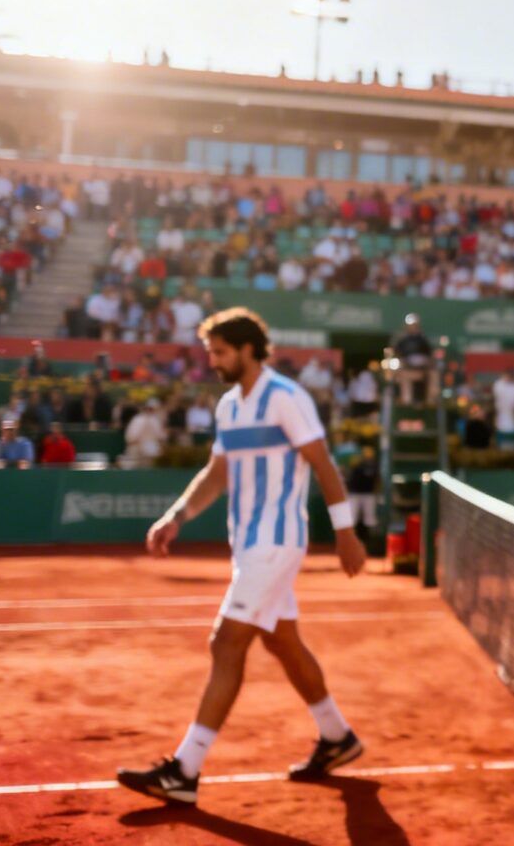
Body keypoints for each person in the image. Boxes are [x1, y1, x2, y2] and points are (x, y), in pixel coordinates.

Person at [117, 308, 367, 807]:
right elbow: (217, 473)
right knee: (284, 644)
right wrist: (176, 517)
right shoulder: (229, 407)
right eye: (211, 352)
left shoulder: (288, 398)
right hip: (249, 546)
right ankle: (337, 736)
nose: (213, 362)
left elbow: (323, 464)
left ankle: (185, 768)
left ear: (249, 349)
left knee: (225, 643)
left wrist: (346, 533)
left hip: (276, 543)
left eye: (220, 352)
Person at [390, 315, 433, 404]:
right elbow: (397, 353)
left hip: (423, 369)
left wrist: (425, 365)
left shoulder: (423, 339)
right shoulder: (402, 340)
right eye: (410, 326)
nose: (412, 328)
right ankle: (406, 402)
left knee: (433, 374)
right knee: (403, 375)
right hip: (407, 368)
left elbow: (429, 355)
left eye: (415, 325)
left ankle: (430, 402)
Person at [345, 444, 380, 539]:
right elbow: (348, 477)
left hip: (368, 494)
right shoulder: (355, 464)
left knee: (370, 518)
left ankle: (372, 541)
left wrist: (377, 492)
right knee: (352, 517)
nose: (368, 457)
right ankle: (350, 539)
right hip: (354, 493)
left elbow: (377, 480)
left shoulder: (374, 465)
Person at [123, 399, 169, 466]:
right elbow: (130, 439)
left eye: (153, 409)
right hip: (137, 453)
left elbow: (162, 437)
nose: (151, 411)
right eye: (150, 408)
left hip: (152, 453)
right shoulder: (137, 419)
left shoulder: (156, 420)